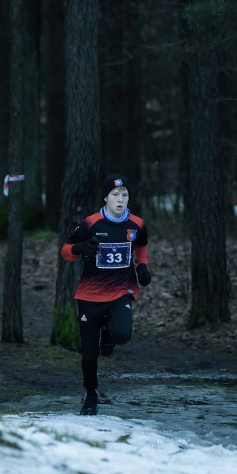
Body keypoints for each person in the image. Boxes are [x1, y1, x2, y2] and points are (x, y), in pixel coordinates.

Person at [61, 174, 151, 415]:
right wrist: (79, 248)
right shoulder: (90, 223)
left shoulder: (137, 224)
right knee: (89, 353)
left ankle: (109, 334)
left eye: (124, 195)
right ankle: (91, 395)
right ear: (105, 197)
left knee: (121, 335)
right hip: (90, 294)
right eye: (115, 195)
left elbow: (141, 245)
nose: (120, 200)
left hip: (121, 290)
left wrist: (142, 267)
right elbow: (65, 252)